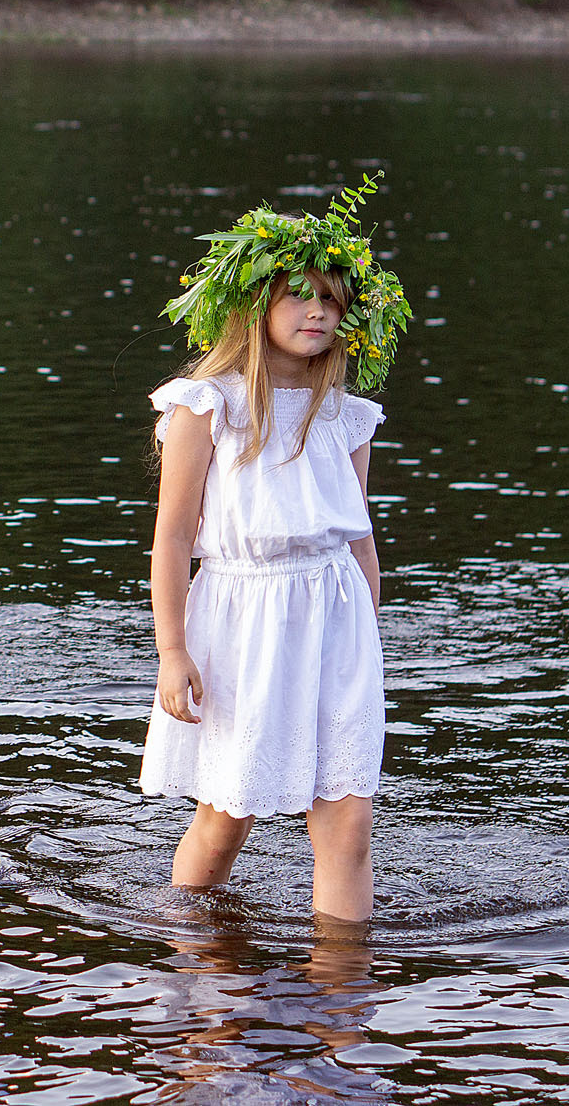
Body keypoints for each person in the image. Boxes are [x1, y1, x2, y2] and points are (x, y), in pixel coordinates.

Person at [142, 174, 412, 919]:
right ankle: (189, 945)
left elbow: (358, 536)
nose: (318, 311)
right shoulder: (208, 405)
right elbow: (171, 540)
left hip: (337, 621)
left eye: (331, 298)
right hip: (244, 618)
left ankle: (341, 1006)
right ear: (255, 305)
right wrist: (172, 651)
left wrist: (368, 633)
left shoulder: (346, 415)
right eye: (299, 295)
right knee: (228, 817)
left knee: (349, 824)